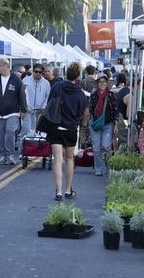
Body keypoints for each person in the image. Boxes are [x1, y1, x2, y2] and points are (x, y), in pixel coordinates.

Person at [47, 62, 86, 201]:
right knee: (69, 159)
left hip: (56, 127)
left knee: (58, 160)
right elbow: (81, 112)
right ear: (77, 77)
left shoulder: (57, 86)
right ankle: (68, 190)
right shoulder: (80, 93)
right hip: (71, 129)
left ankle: (58, 191)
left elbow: (49, 103)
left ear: (66, 73)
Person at [0, 57, 27, 165]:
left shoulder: (15, 79)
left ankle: (10, 154)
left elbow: (21, 94)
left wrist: (23, 109)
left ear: (6, 66)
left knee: (10, 131)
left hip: (13, 111)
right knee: (1, 134)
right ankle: (3, 155)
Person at [89, 73, 118, 176]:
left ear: (107, 83)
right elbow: (90, 110)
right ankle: (98, 169)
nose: (102, 84)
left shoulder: (111, 96)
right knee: (96, 147)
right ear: (97, 83)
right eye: (100, 82)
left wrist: (116, 125)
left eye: (104, 82)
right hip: (96, 125)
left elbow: (115, 111)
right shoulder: (93, 96)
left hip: (107, 124)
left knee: (106, 146)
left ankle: (108, 167)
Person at [22, 63, 51, 137]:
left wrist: (44, 107)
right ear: (33, 71)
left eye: (40, 72)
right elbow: (21, 95)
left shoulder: (46, 83)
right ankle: (24, 147)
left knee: (38, 134)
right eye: (36, 71)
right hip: (28, 112)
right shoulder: (25, 80)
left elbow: (48, 97)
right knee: (26, 132)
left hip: (39, 113)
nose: (38, 73)